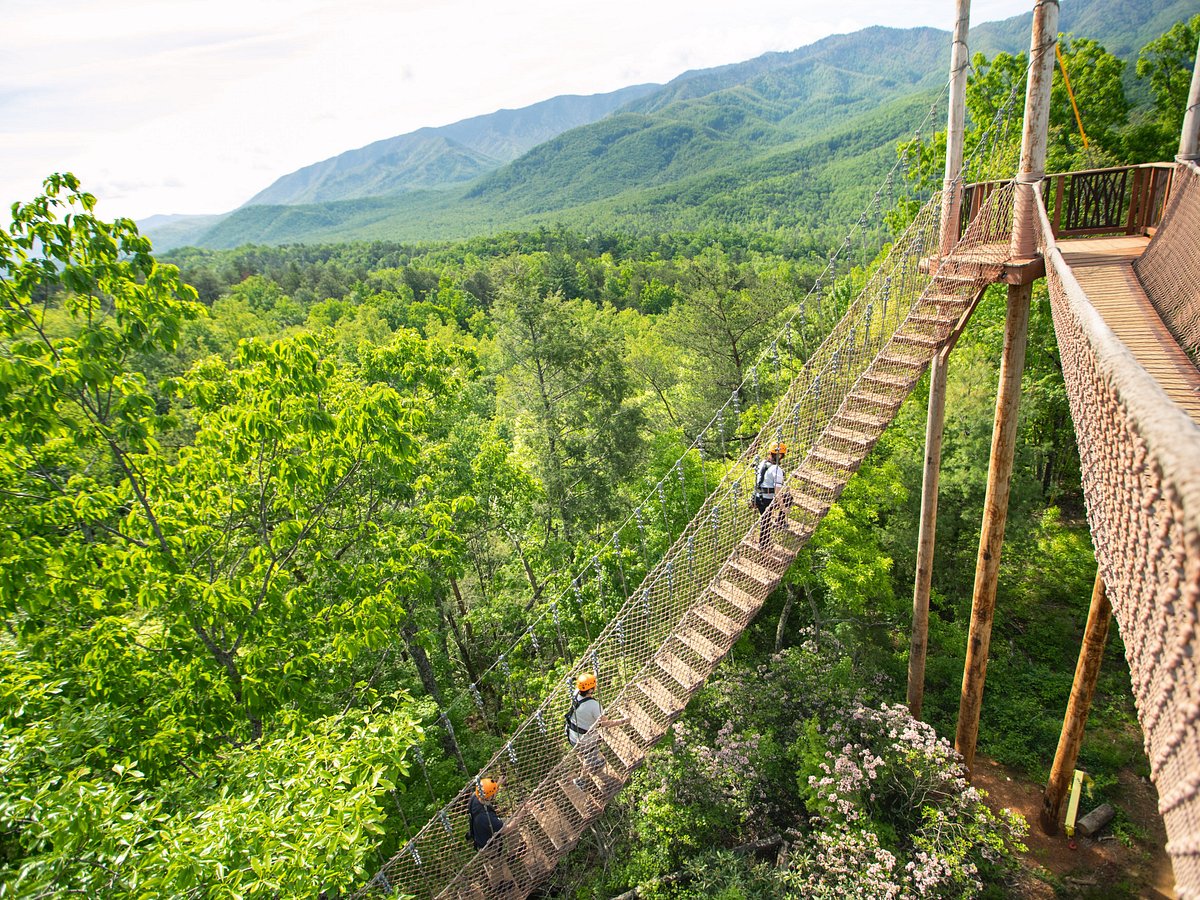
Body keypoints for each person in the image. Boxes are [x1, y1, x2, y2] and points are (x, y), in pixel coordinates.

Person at [565, 672, 627, 766]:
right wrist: (623, 721)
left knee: (587, 752)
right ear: (590, 690)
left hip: (572, 735)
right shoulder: (594, 706)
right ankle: (581, 779)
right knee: (590, 760)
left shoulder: (575, 694)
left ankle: (588, 757)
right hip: (585, 742)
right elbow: (605, 723)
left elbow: (582, 685)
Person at [752, 442, 788, 548]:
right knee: (788, 498)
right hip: (767, 500)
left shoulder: (762, 463)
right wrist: (783, 508)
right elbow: (777, 493)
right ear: (781, 455)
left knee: (765, 520)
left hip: (757, 498)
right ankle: (780, 522)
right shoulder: (777, 470)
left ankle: (764, 543)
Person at [468, 777, 504, 850]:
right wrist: (523, 810)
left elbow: (487, 793)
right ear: (489, 797)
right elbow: (508, 827)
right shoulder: (486, 817)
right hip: (489, 847)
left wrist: (496, 785)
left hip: (480, 836)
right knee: (513, 825)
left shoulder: (475, 797)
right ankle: (511, 856)